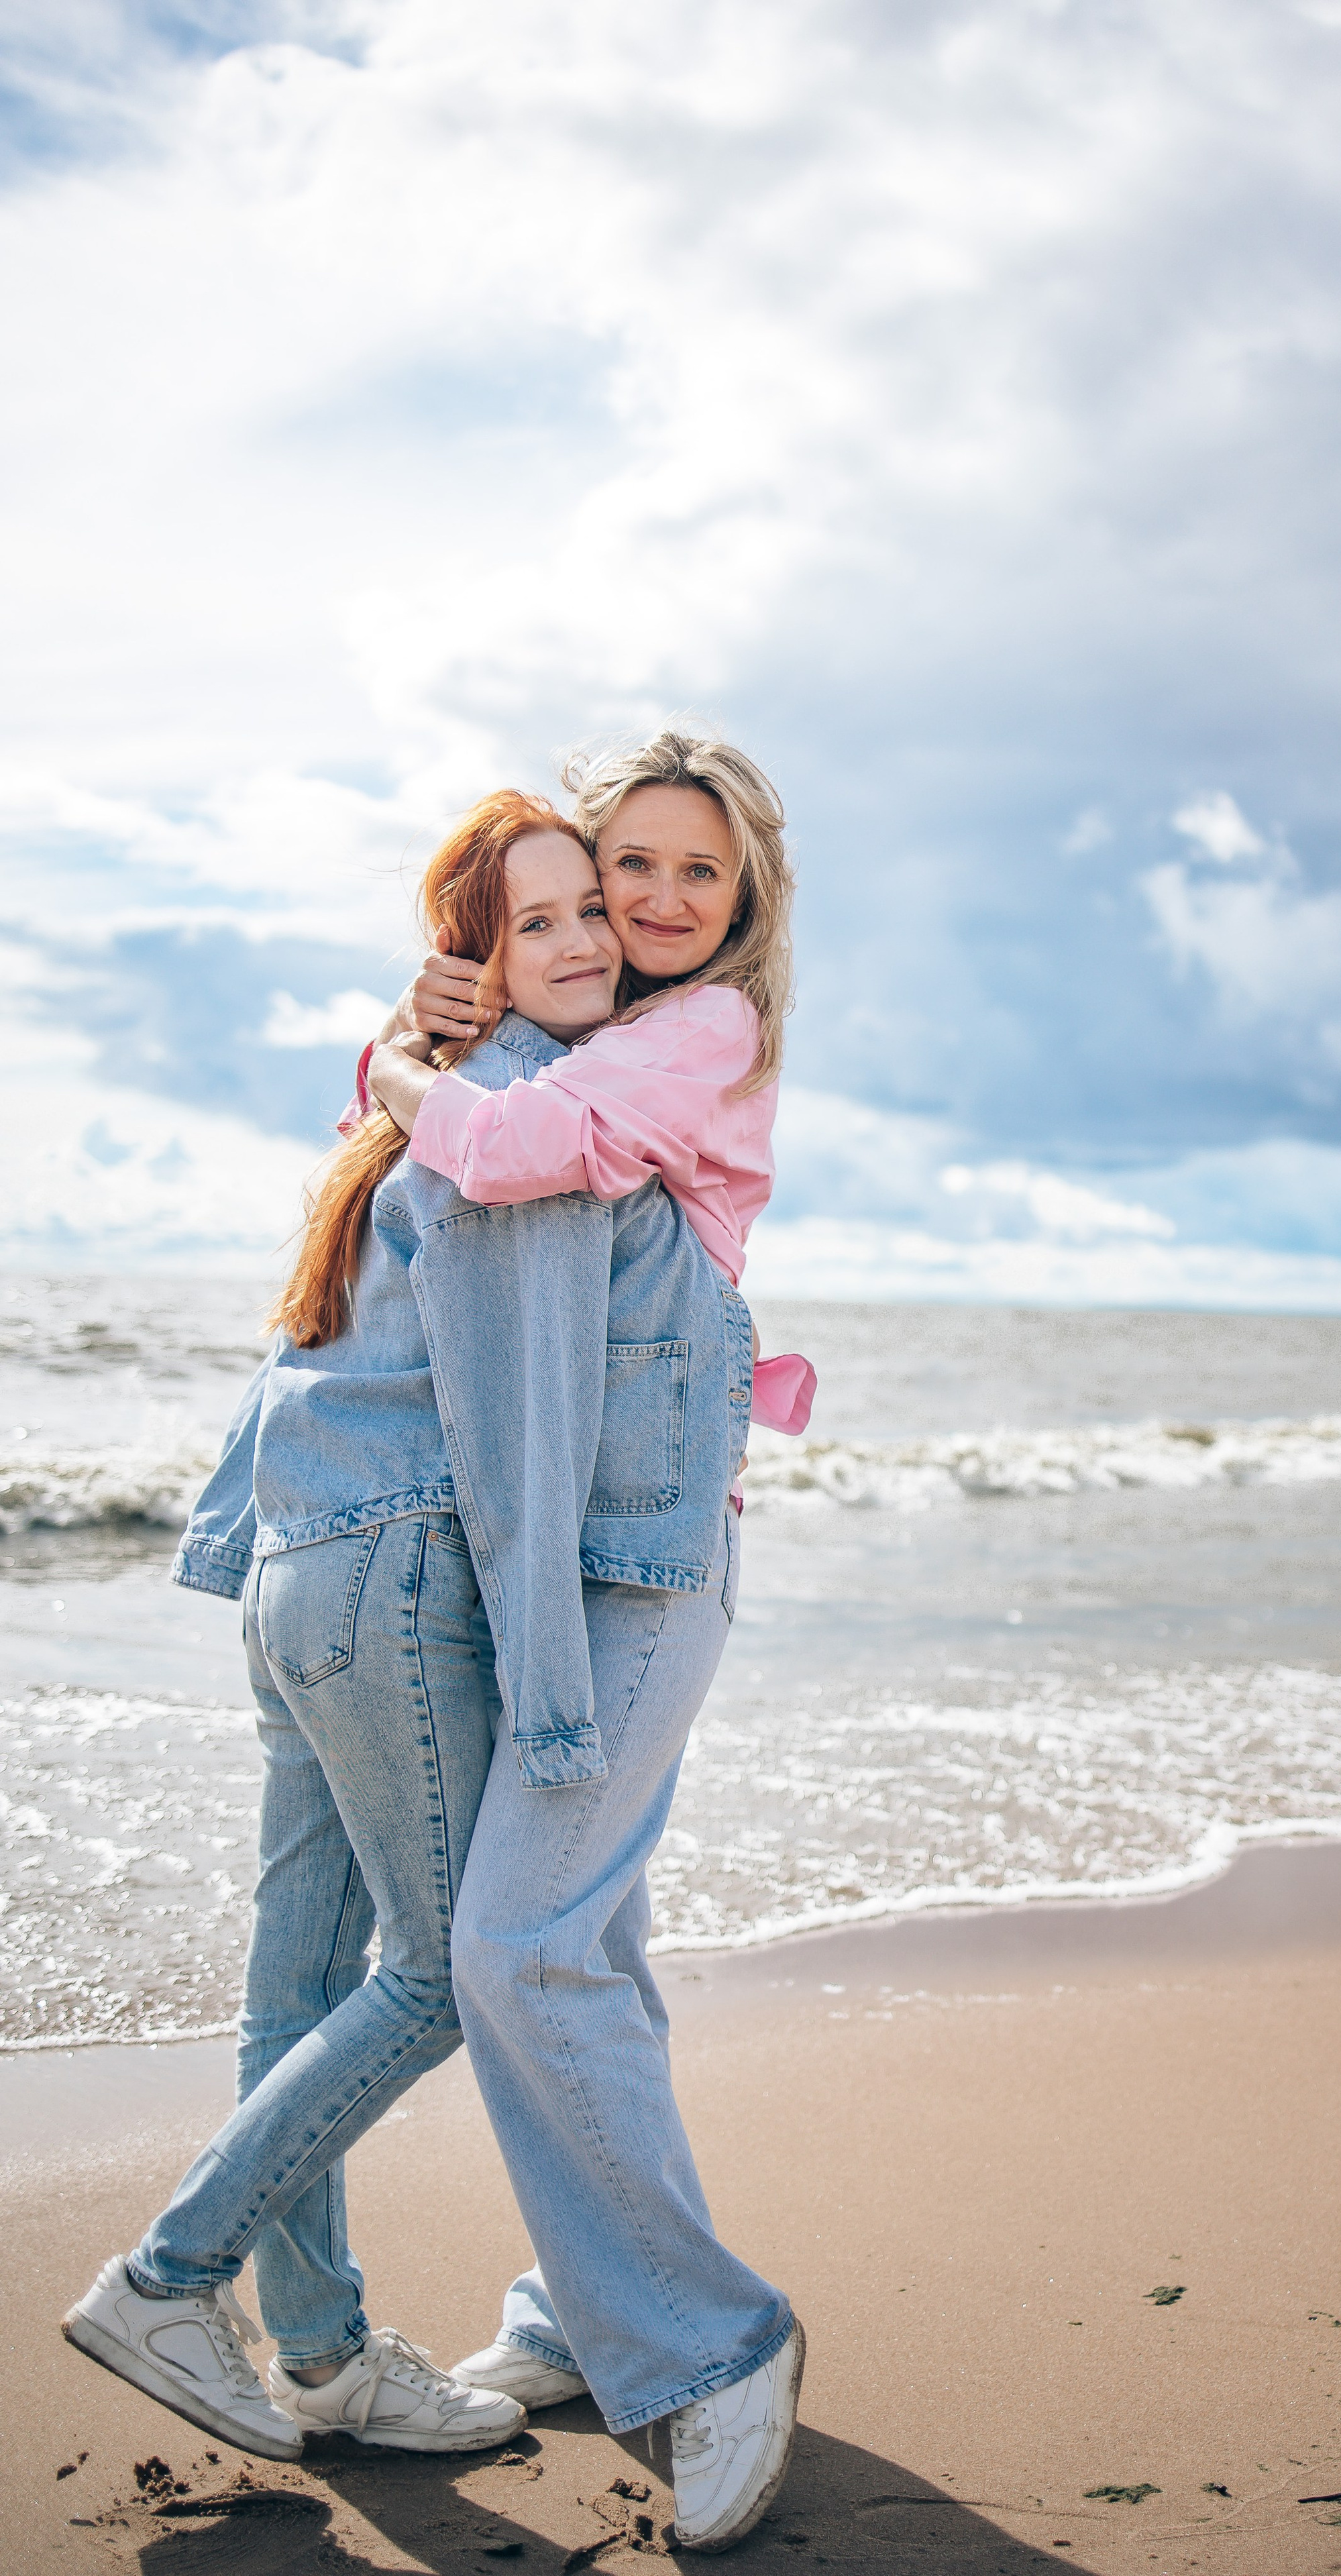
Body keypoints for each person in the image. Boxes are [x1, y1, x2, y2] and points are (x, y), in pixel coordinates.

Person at [65, 739, 808, 2553]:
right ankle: (333, 2315)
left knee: (518, 1951)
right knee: (522, 1953)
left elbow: (489, 1241)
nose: (637, 910)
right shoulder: (516, 1064)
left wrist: (405, 1055)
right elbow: (494, 1394)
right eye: (599, 885)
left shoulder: (652, 1053)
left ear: (746, 902)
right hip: (425, 1576)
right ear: (499, 938)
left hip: (554, 1569)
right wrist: (416, 1037)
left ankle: (645, 2337)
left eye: (689, 876)